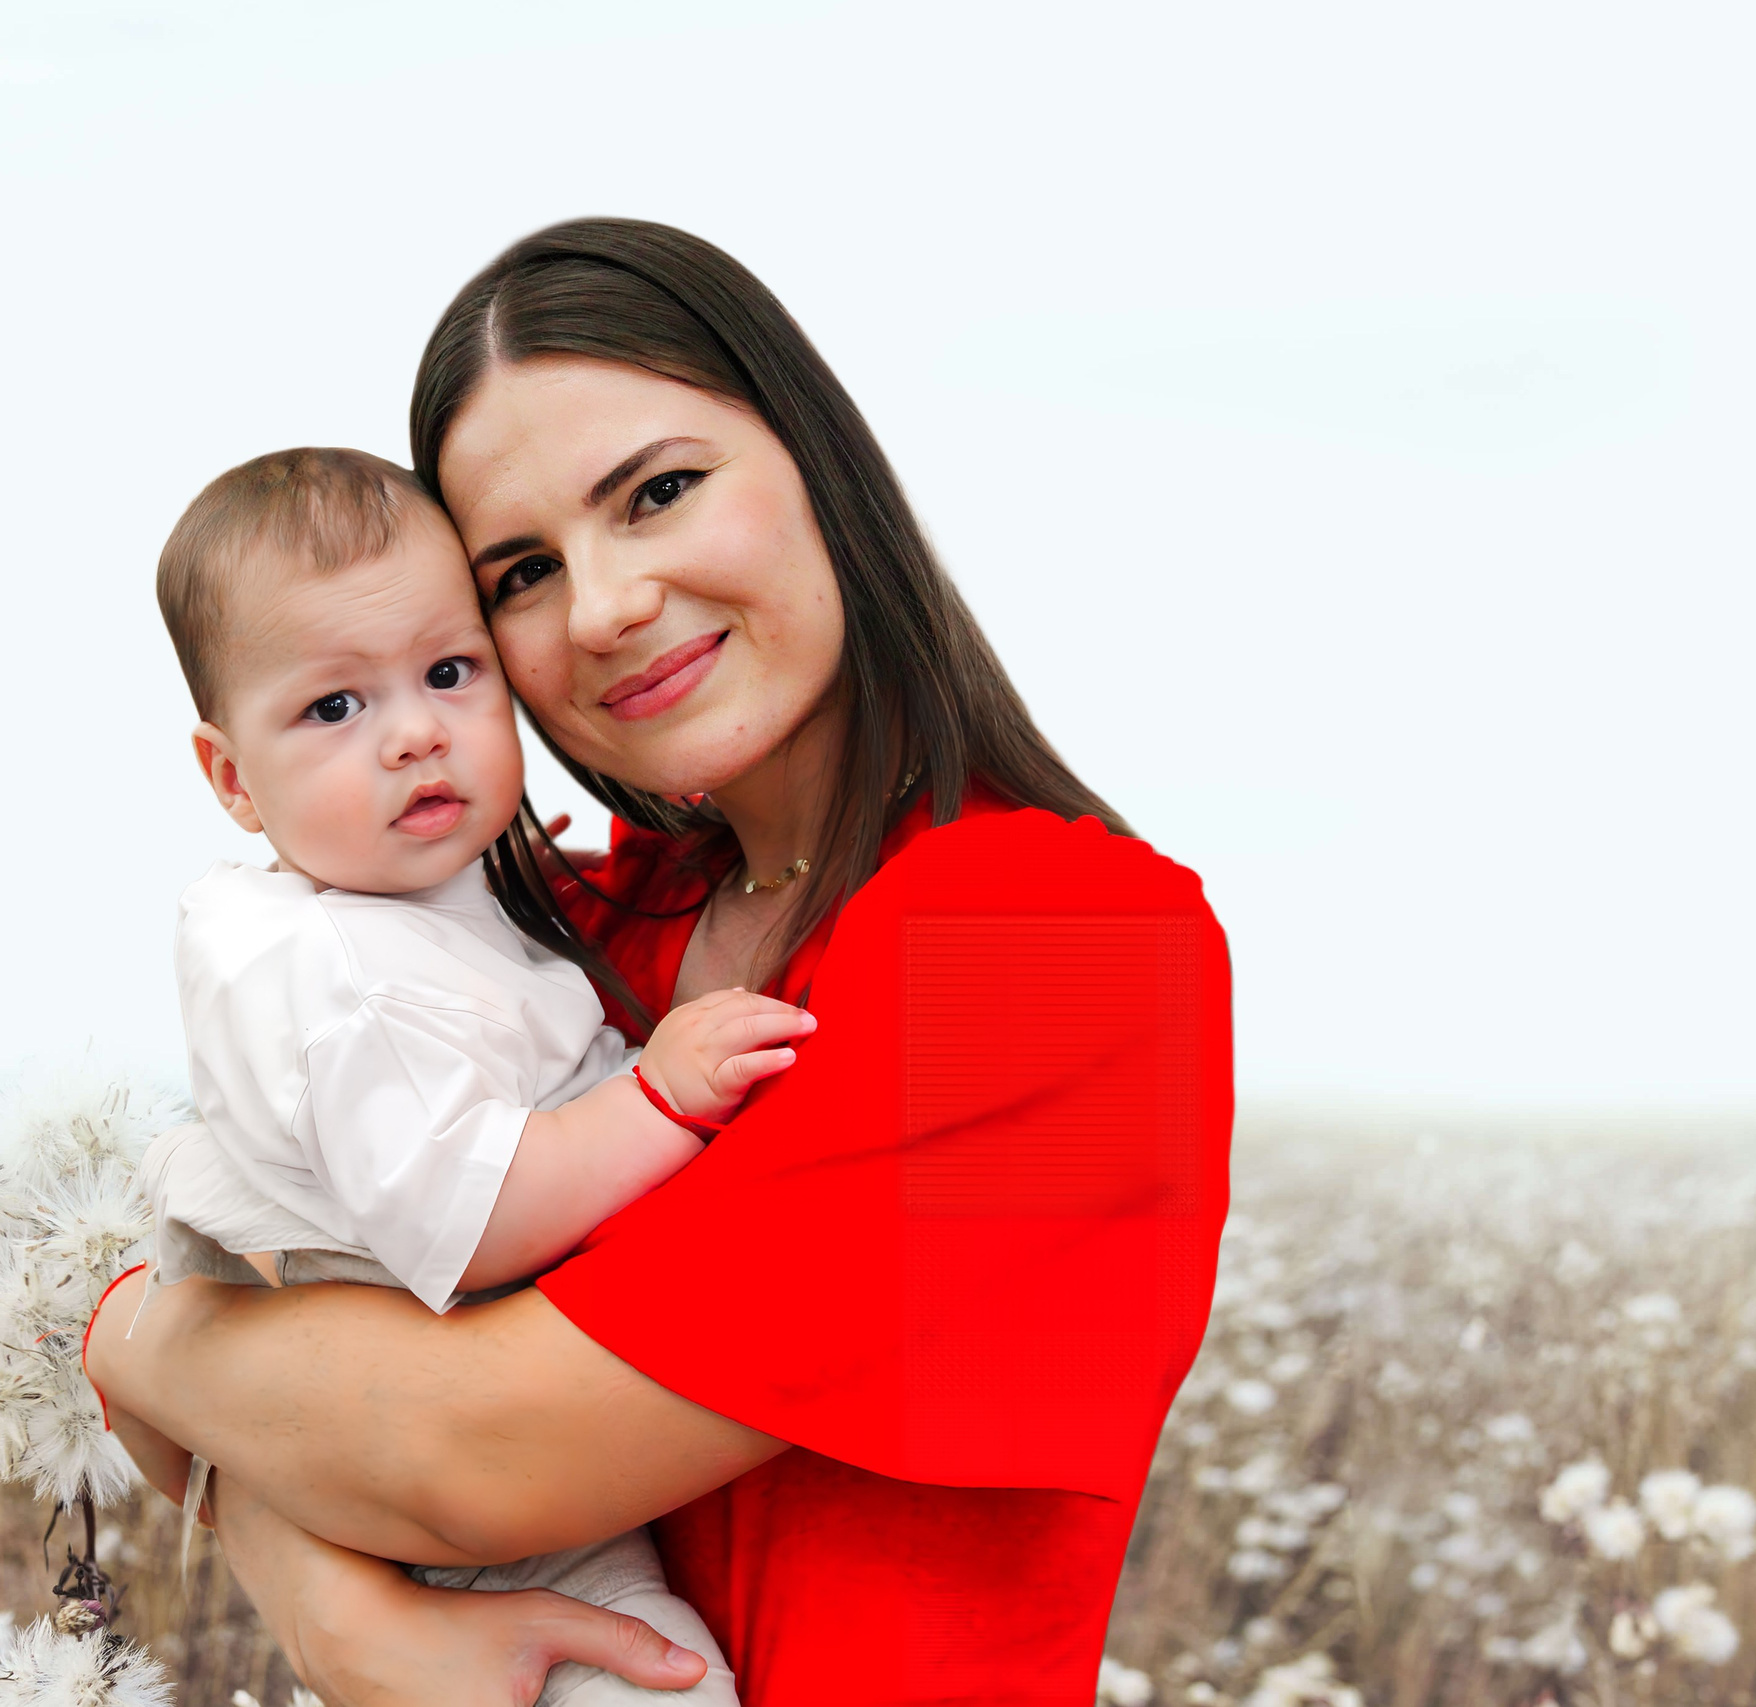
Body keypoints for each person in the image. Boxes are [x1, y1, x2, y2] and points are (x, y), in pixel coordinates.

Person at [87, 219, 1233, 1707]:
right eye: (522, 571)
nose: (605, 606)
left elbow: (471, 1456)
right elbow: (315, 1348)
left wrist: (127, 1337)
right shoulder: (576, 930)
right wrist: (330, 1608)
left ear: (819, 458)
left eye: (660, 491)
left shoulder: (1058, 949)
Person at [127, 443, 813, 1704]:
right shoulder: (345, 974)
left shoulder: (417, 914)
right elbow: (479, 1214)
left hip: (433, 1457)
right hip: (490, 1529)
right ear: (230, 778)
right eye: (334, 708)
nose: (414, 735)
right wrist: (656, 1099)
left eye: (449, 673)